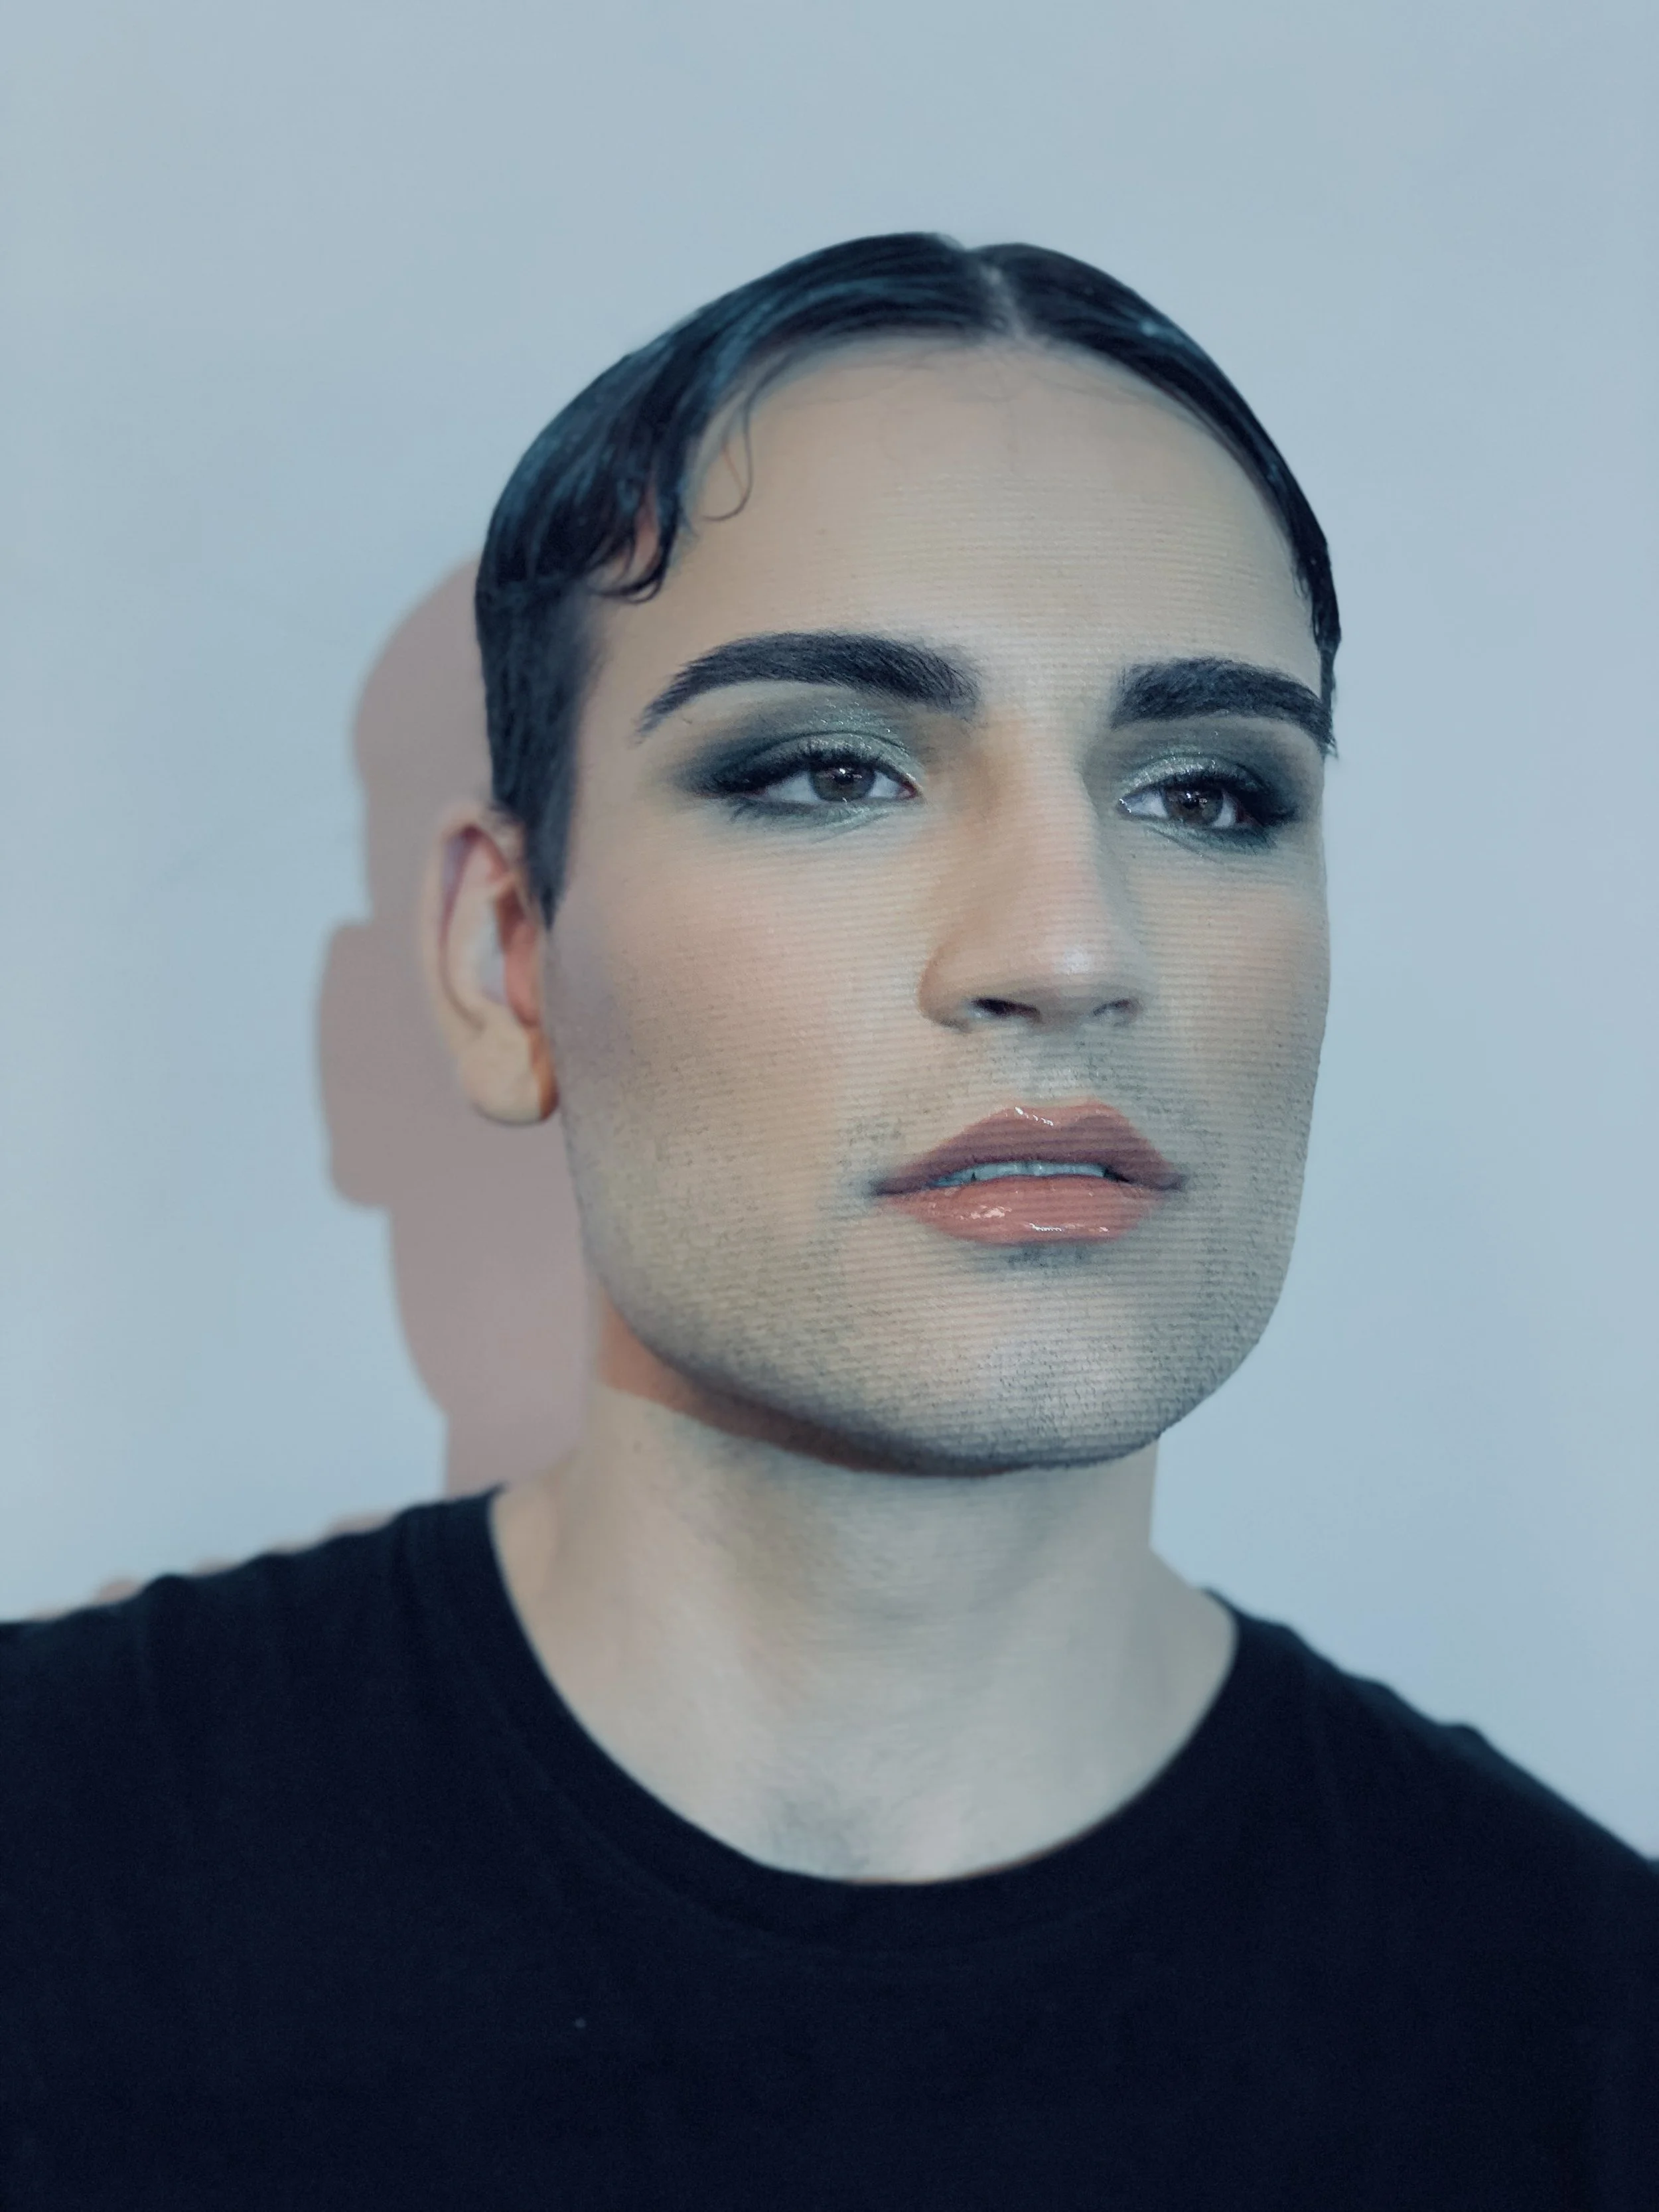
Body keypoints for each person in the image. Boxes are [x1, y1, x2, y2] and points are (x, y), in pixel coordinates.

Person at [3, 233, 1654, 2209]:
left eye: (1209, 793)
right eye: (829, 769)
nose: (1064, 943)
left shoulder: (1586, 2035)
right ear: (505, 961)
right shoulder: (55, 1877)